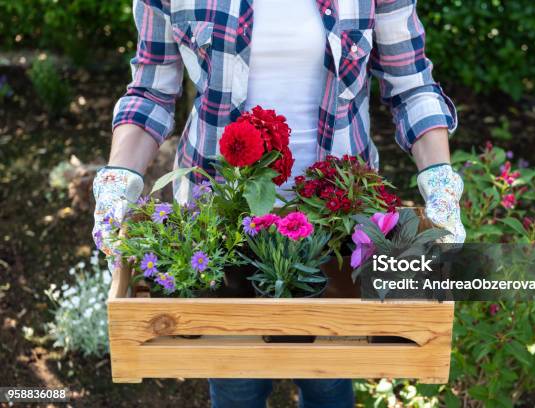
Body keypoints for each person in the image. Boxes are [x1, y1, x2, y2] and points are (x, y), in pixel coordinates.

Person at [93, 0, 465, 406]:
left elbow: (410, 84)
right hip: (221, 222)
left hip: (338, 223)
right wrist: (118, 180)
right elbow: (151, 90)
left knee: (327, 375)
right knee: (237, 382)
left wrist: (441, 181)